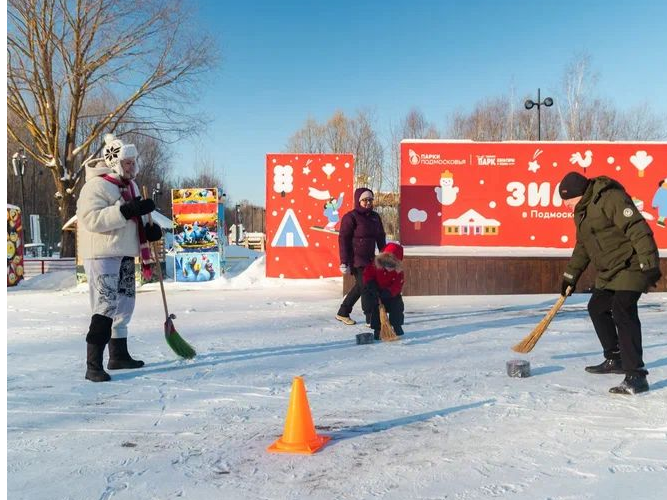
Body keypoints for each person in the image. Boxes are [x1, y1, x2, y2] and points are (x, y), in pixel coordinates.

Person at [558, 171, 661, 395]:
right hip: (610, 270)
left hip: (632, 263)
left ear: (580, 194)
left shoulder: (611, 197)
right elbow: (583, 246)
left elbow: (637, 227)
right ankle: (615, 358)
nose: (566, 205)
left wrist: (649, 262)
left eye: (568, 200)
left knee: (622, 309)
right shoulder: (582, 212)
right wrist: (570, 277)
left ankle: (636, 374)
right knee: (597, 307)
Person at [76, 133, 163, 382]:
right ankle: (93, 365)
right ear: (115, 162)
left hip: (125, 252)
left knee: (124, 304)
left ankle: (118, 356)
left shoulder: (131, 186)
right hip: (102, 252)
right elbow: (91, 219)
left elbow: (133, 219)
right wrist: (127, 210)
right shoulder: (96, 185)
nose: (132, 167)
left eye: (134, 162)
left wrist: (148, 231)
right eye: (127, 162)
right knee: (105, 305)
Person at [336, 188, 387, 325]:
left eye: (370, 199)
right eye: (365, 200)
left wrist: (384, 254)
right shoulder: (350, 217)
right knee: (367, 287)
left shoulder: (375, 217)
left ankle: (343, 312)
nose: (368, 202)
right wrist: (344, 261)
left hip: (370, 258)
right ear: (358, 201)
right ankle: (370, 318)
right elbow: (343, 239)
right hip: (356, 258)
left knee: (360, 286)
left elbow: (380, 236)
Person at [361, 242, 405, 340]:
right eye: (387, 264)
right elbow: (367, 275)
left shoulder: (399, 272)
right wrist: (371, 285)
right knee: (376, 310)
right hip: (377, 292)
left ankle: (397, 326)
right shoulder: (374, 266)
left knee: (397, 307)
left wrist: (390, 292)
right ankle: (377, 329)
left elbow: (398, 284)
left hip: (391, 294)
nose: (389, 267)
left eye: (392, 265)